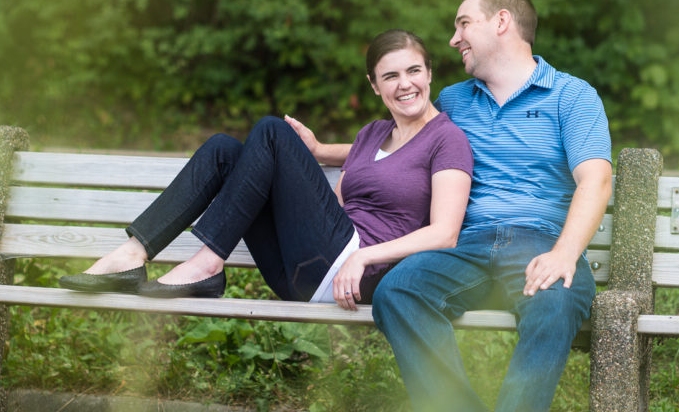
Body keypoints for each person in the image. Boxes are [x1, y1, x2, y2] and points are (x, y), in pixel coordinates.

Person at [288, 0, 612, 412]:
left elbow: (596, 179)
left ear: (501, 22)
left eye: (463, 24)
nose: (454, 37)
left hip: (539, 240)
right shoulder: (455, 101)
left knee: (556, 298)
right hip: (463, 244)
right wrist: (322, 151)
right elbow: (402, 145)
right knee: (398, 292)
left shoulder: (571, 96)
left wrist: (565, 253)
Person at [59, 29, 473, 311]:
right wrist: (308, 161)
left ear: (430, 73)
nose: (405, 84)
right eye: (391, 76)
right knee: (224, 150)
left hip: (358, 274)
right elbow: (334, 205)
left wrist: (362, 257)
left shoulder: (446, 139)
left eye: (414, 71)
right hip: (300, 271)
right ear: (374, 85)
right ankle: (132, 254)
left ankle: (208, 264)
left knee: (272, 131)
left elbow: (445, 233)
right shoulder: (371, 135)